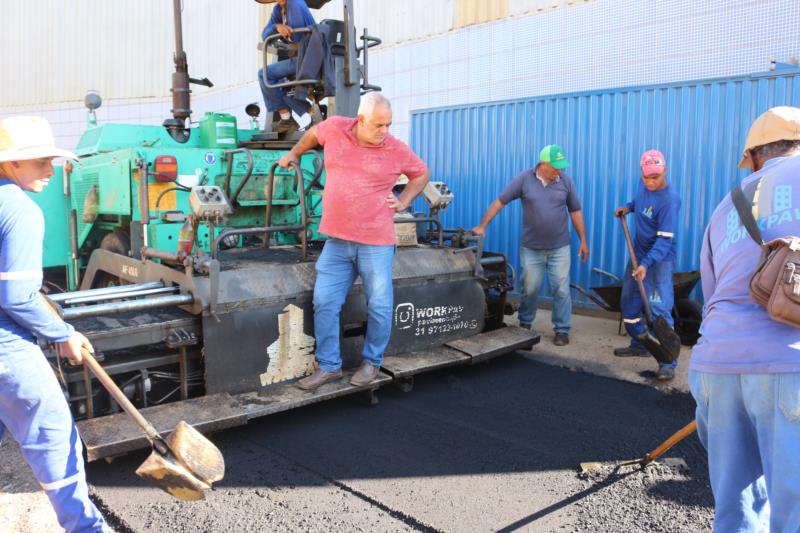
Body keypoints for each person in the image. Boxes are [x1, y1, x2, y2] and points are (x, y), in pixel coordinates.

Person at [690, 106, 800, 531]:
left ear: (754, 156)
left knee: (736, 511)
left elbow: (712, 290)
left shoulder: (725, 205)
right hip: (788, 363)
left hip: (716, 363)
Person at [278, 92, 430, 390]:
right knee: (324, 302)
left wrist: (404, 201)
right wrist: (295, 152)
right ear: (361, 119)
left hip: (376, 242)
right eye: (378, 125)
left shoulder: (396, 149)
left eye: (388, 124)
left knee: (380, 305)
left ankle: (372, 362)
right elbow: (312, 134)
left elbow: (421, 173)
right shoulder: (335, 128)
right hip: (337, 241)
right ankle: (330, 367)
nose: (385, 131)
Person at [0, 116, 107, 532]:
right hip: (6, 346)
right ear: (10, 164)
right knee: (53, 433)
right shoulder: (20, 210)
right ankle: (86, 527)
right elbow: (15, 296)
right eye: (41, 161)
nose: (51, 169)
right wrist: (64, 332)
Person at [472, 144, 588, 346]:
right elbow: (500, 201)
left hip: (560, 247)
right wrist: (483, 225)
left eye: (562, 166)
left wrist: (583, 240)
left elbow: (575, 211)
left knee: (561, 289)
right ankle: (524, 325)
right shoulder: (524, 179)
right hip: (532, 248)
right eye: (556, 166)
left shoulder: (566, 182)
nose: (560, 170)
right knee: (530, 287)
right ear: (544, 164)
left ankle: (562, 329)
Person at [613, 150, 682, 381]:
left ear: (665, 171)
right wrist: (628, 207)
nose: (651, 183)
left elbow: (664, 241)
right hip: (639, 254)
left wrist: (646, 264)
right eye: (647, 178)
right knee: (629, 303)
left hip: (659, 260)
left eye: (656, 178)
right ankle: (640, 343)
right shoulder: (643, 186)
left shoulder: (669, 200)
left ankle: (668, 361)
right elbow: (640, 202)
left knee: (659, 308)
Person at [257, 0, 316, 133]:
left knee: (264, 74)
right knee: (278, 87)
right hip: (299, 57)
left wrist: (284, 30)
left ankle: (286, 120)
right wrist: (276, 27)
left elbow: (296, 36)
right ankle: (313, 113)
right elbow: (265, 35)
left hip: (308, 57)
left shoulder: (295, 3)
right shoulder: (278, 10)